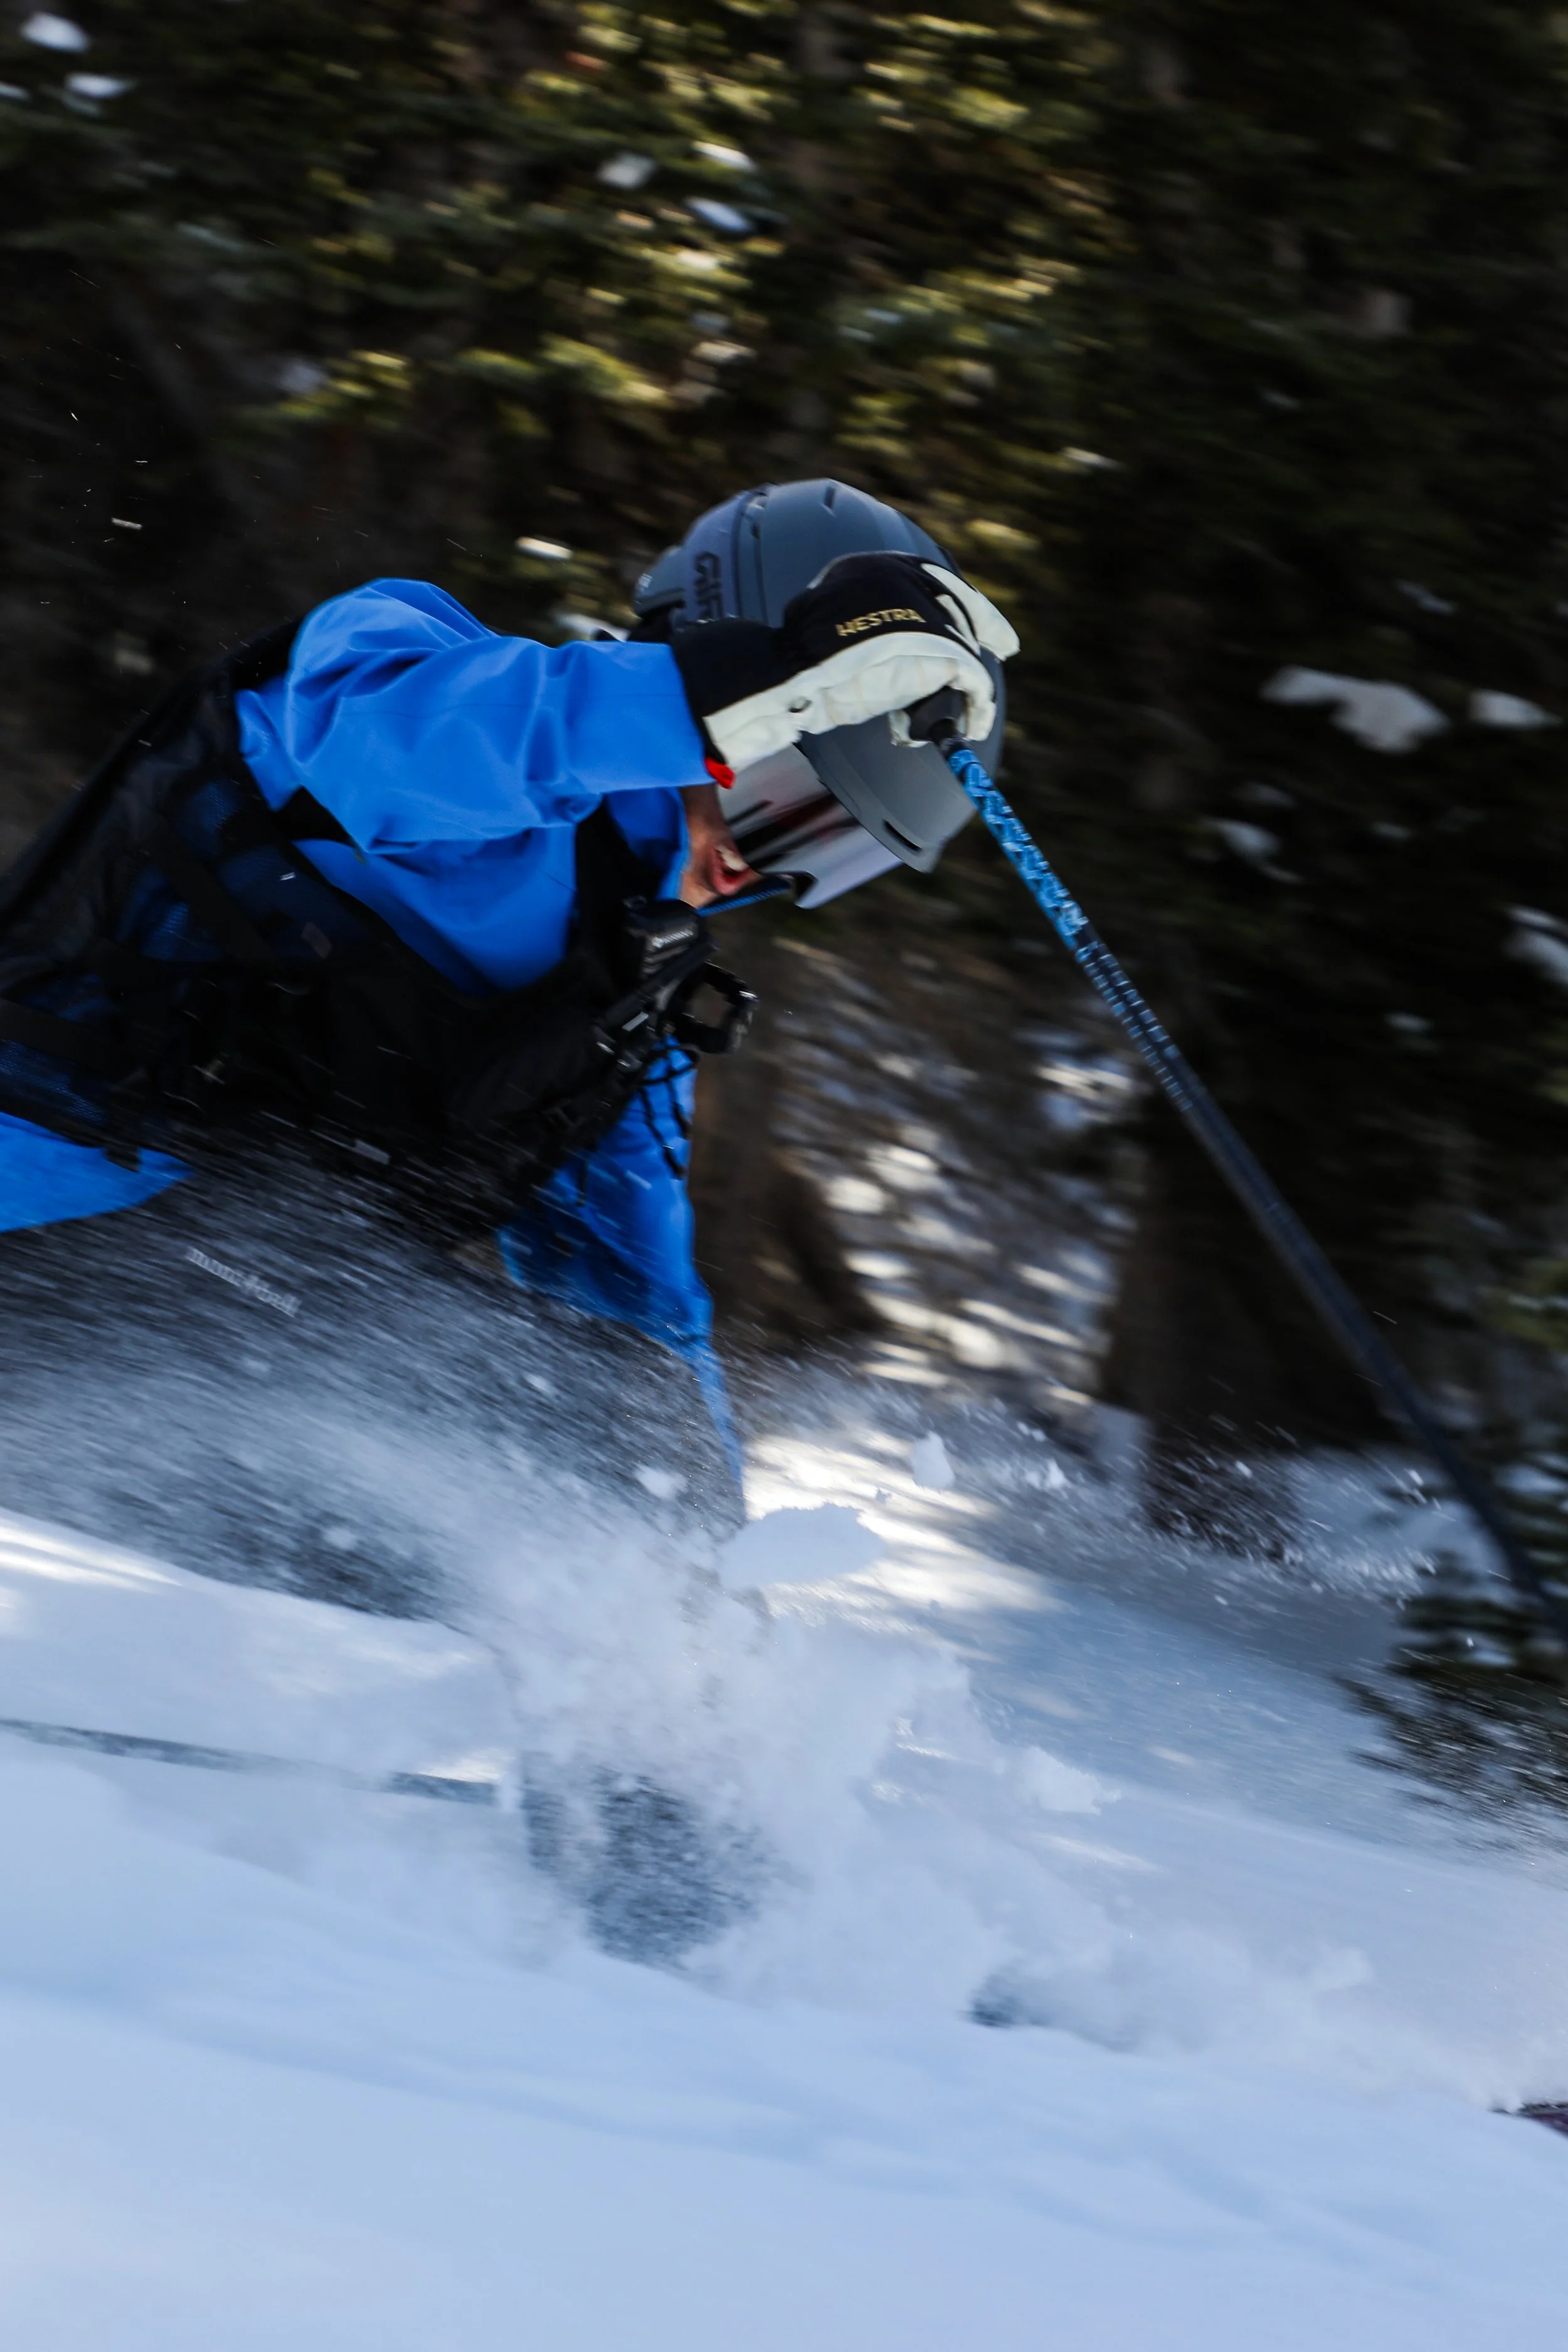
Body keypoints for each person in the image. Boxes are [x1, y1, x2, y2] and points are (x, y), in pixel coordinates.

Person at [0, 480, 1017, 1386]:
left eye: (826, 845)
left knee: (614, 1414)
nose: (755, 864)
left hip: (229, 1320)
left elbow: (642, 1305)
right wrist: (736, 684)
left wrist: (694, 1507)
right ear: (712, 653)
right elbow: (399, 748)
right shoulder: (414, 672)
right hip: (47, 1202)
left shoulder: (628, 991)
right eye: (781, 796)